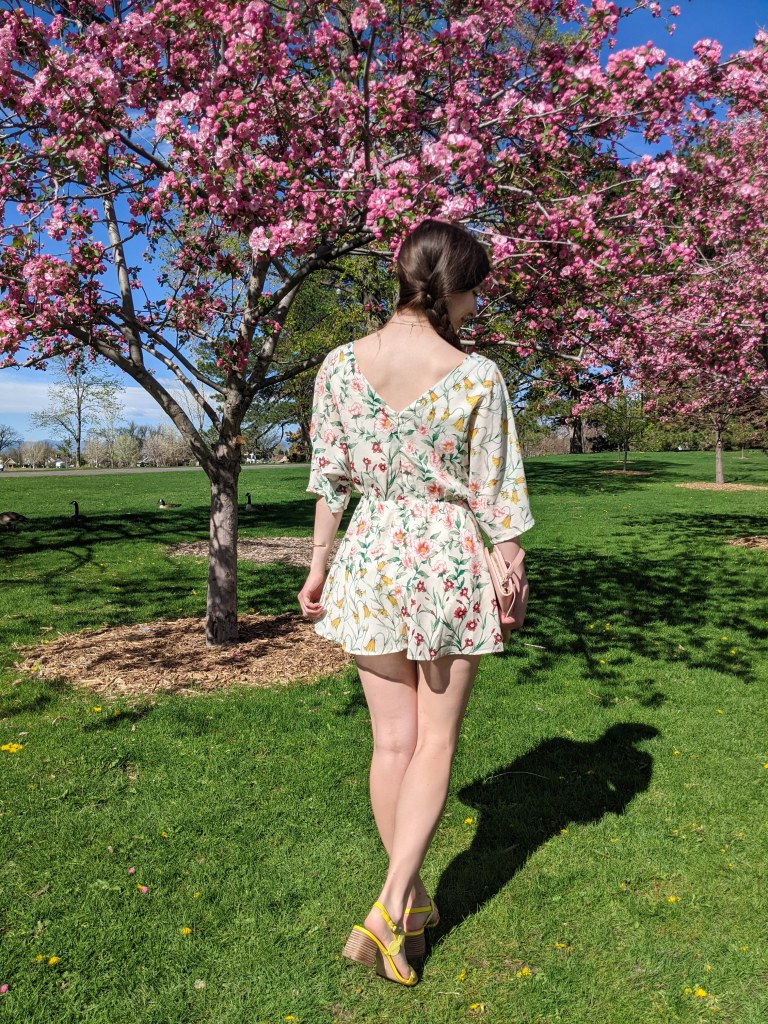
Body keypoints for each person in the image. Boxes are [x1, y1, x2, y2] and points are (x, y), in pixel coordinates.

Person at [297, 219, 535, 986]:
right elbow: (497, 490)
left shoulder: (338, 365)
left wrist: (318, 565)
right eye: (475, 293)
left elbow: (330, 477)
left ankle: (409, 906)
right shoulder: (475, 375)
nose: (474, 308)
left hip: (368, 558)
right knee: (433, 743)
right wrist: (512, 566)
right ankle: (392, 902)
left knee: (391, 745)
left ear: (402, 275)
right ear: (460, 286)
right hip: (443, 562)